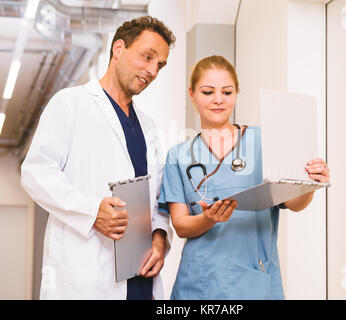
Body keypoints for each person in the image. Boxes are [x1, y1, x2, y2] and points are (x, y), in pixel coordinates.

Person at [21, 16, 176, 300]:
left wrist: (160, 238)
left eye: (160, 65)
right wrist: (92, 212)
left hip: (140, 280)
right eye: (147, 57)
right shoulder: (70, 104)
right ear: (119, 49)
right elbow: (36, 172)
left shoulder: (149, 126)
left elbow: (158, 197)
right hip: (86, 276)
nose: (153, 70)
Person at [158, 55, 330, 299]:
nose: (218, 100)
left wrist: (309, 184)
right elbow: (181, 225)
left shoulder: (264, 141)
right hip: (198, 284)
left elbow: (294, 204)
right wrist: (209, 219)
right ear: (192, 94)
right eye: (208, 92)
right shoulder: (178, 155)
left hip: (254, 281)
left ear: (236, 94)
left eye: (227, 92)